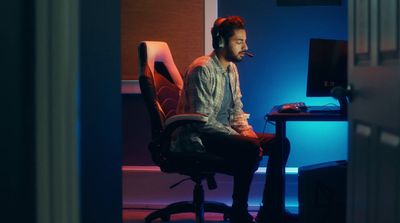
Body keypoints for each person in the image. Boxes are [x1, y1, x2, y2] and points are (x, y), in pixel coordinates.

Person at [173, 16, 297, 223]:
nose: (245, 47)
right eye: (239, 42)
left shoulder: (231, 69)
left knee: (280, 144)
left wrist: (248, 133)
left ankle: (271, 210)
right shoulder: (202, 69)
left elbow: (236, 111)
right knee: (248, 148)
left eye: (244, 41)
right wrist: (247, 141)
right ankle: (239, 213)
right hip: (199, 137)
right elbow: (201, 122)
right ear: (221, 41)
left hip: (221, 131)